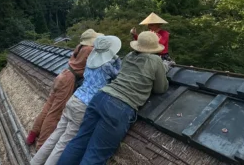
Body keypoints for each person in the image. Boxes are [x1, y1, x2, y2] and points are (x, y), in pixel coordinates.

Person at [57, 31, 169, 165]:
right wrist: (164, 68)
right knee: (95, 155)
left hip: (101, 96)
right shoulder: (155, 60)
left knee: (78, 142)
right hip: (120, 106)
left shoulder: (129, 56)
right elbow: (160, 88)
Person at [30, 36, 122, 165]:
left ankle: (35, 162)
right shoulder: (106, 66)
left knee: (55, 135)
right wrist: (117, 59)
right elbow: (119, 75)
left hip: (75, 98)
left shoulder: (91, 60)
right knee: (63, 143)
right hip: (84, 105)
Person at [26, 29, 103, 149]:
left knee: (48, 106)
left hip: (63, 74)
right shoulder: (89, 49)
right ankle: (41, 144)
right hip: (69, 80)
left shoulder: (80, 46)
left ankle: (33, 134)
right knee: (55, 113)